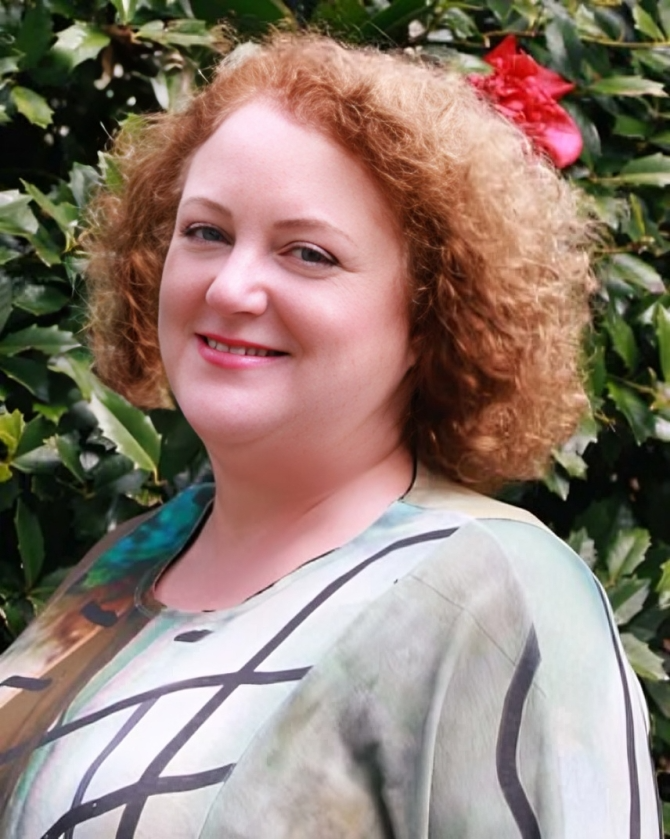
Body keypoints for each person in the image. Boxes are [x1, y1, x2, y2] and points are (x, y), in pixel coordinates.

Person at [0, 33, 661, 838]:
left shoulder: (489, 595)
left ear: (429, 314)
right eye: (205, 231)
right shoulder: (126, 559)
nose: (232, 285)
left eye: (308, 253)